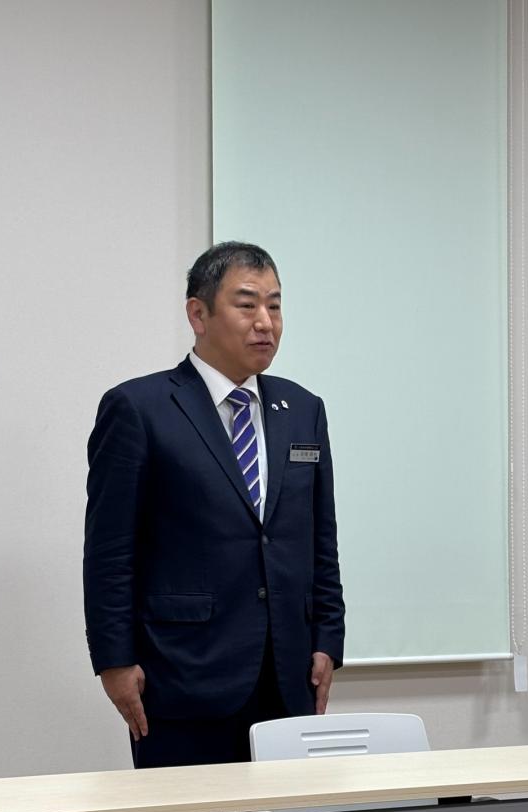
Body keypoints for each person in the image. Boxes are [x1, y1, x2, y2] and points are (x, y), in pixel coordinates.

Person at [83, 242, 344, 768]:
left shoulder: (303, 409)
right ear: (198, 314)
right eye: (247, 305)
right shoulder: (139, 409)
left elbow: (320, 538)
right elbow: (110, 551)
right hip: (181, 674)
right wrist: (114, 660)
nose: (265, 322)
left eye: (274, 305)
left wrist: (328, 639)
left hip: (287, 672)